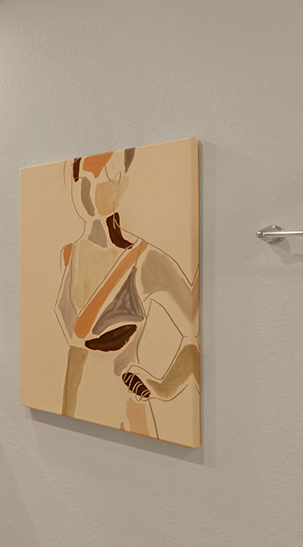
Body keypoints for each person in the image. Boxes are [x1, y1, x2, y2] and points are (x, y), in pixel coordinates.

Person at [53, 148, 199, 439]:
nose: (87, 190)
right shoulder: (69, 255)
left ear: (122, 185)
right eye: (81, 179)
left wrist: (163, 387)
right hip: (71, 414)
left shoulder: (147, 261)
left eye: (102, 178)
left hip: (124, 421)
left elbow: (195, 331)